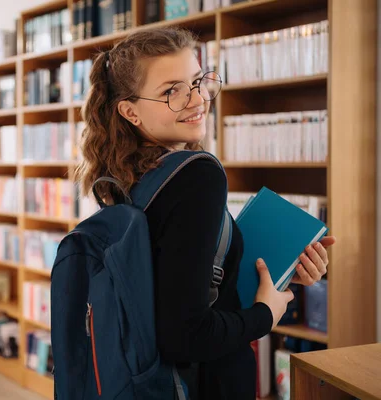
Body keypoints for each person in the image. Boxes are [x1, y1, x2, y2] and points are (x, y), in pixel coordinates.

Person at [74, 26, 336, 400]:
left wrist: (281, 270)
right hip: (205, 383)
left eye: (197, 81)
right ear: (130, 111)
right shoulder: (197, 175)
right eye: (171, 91)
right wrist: (266, 313)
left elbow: (177, 289)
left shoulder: (124, 179)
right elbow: (185, 334)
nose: (196, 99)